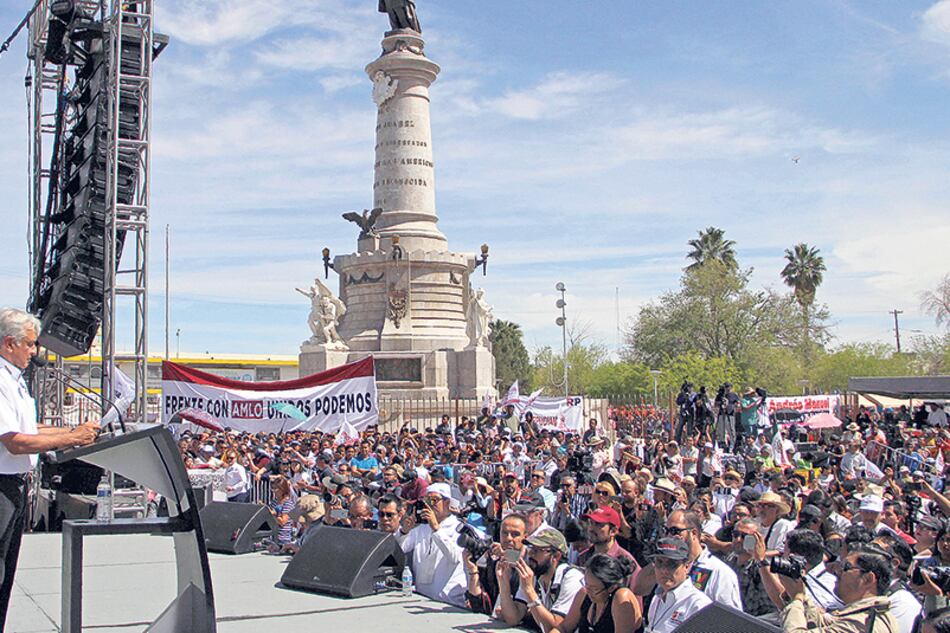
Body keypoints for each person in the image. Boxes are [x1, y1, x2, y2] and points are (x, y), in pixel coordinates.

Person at [0, 308, 99, 628]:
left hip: (14, 486)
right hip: (1, 485)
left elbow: (32, 428)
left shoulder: (13, 380)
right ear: (8, 343)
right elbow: (15, 441)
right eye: (29, 344)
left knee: (6, 571)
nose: (35, 351)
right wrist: (70, 436)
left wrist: (71, 435)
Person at [779, 546, 897, 633]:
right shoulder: (868, 612)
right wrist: (801, 594)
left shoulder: (862, 623)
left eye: (846, 567)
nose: (837, 571)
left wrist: (797, 599)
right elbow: (822, 623)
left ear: (867, 579)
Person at [496, 528, 585, 631]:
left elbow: (556, 628)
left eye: (537, 550)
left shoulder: (571, 578)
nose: (530, 554)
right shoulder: (534, 573)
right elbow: (513, 618)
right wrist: (503, 583)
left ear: (556, 556)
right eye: (530, 548)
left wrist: (529, 590)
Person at [396, 482, 466, 607]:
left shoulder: (459, 528)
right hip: (421, 598)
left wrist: (436, 529)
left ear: (447, 503)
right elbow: (400, 549)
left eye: (434, 500)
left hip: (447, 601)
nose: (429, 505)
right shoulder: (421, 527)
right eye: (426, 500)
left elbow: (455, 558)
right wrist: (404, 531)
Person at [550, 554, 642, 633]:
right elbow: (564, 628)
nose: (588, 591)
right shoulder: (584, 593)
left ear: (611, 587)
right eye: (586, 584)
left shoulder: (621, 598)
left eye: (594, 589)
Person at [643, 538, 711, 633]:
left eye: (672, 564)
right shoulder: (657, 598)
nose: (664, 570)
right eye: (659, 562)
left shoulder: (698, 604)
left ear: (687, 566)